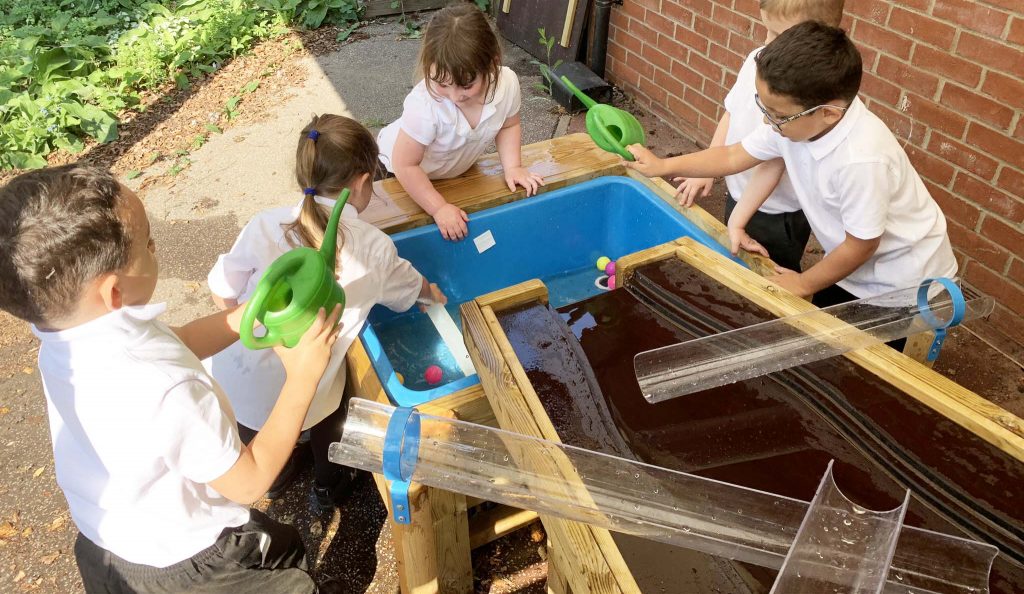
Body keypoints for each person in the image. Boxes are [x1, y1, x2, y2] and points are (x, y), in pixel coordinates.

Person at [0, 165, 342, 592]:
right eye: (148, 242)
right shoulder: (165, 387)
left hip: (111, 536)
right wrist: (303, 377)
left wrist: (244, 316)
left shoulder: (68, 331)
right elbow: (250, 481)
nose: (156, 245)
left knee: (285, 546)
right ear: (113, 292)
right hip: (184, 566)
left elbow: (179, 340)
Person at [207, 114, 447, 514]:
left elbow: (222, 290)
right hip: (310, 387)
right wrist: (430, 292)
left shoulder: (265, 225)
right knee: (331, 401)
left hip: (239, 380)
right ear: (362, 182)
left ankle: (278, 475)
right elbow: (409, 289)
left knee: (253, 414)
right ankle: (329, 482)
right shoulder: (373, 247)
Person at [626, 22, 957, 308]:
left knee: (870, 369)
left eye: (779, 115)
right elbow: (731, 155)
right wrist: (661, 166)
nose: (767, 121)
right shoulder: (796, 124)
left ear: (829, 112)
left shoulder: (860, 159)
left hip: (905, 286)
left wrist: (805, 283)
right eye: (763, 106)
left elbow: (862, 244)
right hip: (853, 269)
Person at [673, 0, 845, 273]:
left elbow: (773, 160)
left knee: (769, 273)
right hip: (739, 187)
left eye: (778, 35)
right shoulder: (759, 58)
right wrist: (705, 170)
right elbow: (732, 112)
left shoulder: (806, 96)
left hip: (777, 212)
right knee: (738, 253)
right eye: (767, 30)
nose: (767, 44)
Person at [377, 3, 544, 241]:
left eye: (466, 85)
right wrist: (438, 208)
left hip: (450, 171)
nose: (455, 96)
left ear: (492, 64)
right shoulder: (425, 105)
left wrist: (513, 167)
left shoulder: (507, 84)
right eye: (442, 84)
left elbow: (508, 125)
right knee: (402, 239)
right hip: (394, 173)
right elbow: (405, 165)